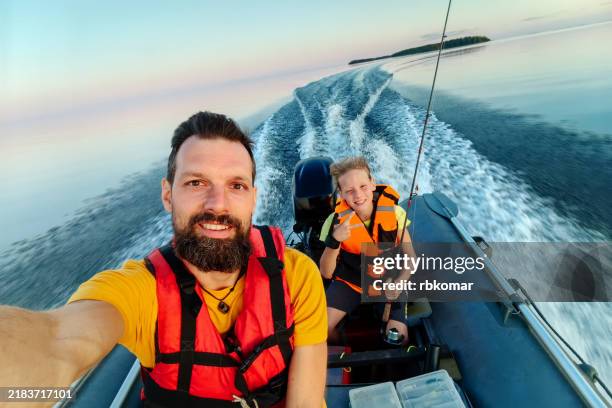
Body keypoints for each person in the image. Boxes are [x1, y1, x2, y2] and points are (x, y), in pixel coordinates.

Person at [0, 112, 327, 408]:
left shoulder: (296, 275)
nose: (218, 204)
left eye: (236, 185)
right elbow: (57, 340)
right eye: (196, 182)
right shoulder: (141, 292)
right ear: (168, 195)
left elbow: (307, 402)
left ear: (253, 199)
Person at [318, 156, 415, 345]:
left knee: (399, 336)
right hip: (351, 282)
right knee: (321, 330)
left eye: (362, 186)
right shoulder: (333, 223)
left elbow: (410, 258)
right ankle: (347, 346)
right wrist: (335, 241)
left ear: (372, 183)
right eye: (349, 191)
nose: (358, 195)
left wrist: (399, 282)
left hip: (389, 279)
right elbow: (326, 272)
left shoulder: (395, 213)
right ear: (341, 193)